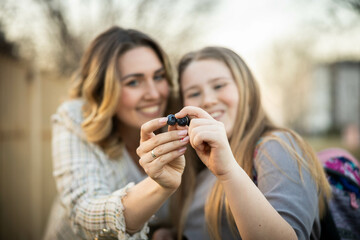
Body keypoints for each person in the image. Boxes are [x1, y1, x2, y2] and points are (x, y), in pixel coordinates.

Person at [140, 46, 332, 240]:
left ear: (245, 89)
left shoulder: (276, 146)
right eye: (194, 93)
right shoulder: (194, 162)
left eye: (219, 86)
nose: (208, 100)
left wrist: (229, 172)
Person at [43, 26, 188, 240]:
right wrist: (158, 186)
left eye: (158, 77)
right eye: (134, 82)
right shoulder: (75, 120)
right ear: (104, 90)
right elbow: (85, 211)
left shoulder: (180, 120)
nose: (154, 93)